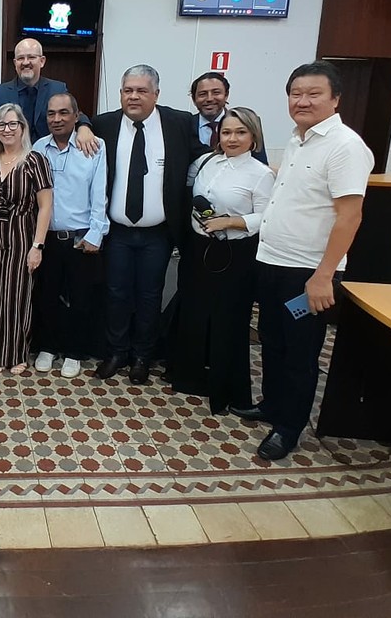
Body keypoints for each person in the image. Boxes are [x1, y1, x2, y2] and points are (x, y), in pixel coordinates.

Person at [230, 61, 373, 461]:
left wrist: (323, 276)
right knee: (272, 341)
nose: (303, 101)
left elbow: (350, 216)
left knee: (300, 352)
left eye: (314, 94)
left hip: (307, 274)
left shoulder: (345, 146)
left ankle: (289, 428)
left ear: (335, 99)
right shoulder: (298, 140)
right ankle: (273, 405)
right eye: (296, 94)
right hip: (271, 262)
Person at [91, 65, 206, 385]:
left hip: (158, 233)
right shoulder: (104, 124)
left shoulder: (178, 123)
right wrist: (84, 127)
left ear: (156, 94)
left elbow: (204, 157)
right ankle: (116, 352)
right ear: (120, 94)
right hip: (117, 232)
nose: (134, 96)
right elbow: (80, 122)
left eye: (141, 90)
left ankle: (142, 356)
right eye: (128, 90)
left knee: (150, 295)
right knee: (115, 293)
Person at [168, 107, 274, 413]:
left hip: (234, 255)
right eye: (226, 132)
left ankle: (225, 389)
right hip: (199, 250)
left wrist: (231, 222)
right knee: (194, 313)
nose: (232, 139)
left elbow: (267, 216)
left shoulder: (261, 174)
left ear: (253, 136)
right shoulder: (208, 163)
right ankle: (189, 378)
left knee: (228, 321)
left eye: (240, 132)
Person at [32, 93, 108, 379]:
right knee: (47, 296)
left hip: (80, 237)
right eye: (51, 114)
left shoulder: (94, 146)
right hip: (48, 237)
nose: (57, 119)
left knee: (81, 299)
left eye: (63, 113)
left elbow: (99, 194)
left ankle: (75, 352)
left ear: (77, 116)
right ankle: (48, 347)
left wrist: (96, 233)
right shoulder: (39, 148)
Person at [0, 103, 53, 374]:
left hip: (21, 235)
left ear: (22, 128)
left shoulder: (35, 160)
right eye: (1, 125)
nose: (7, 129)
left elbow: (45, 206)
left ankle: (17, 353)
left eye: (13, 124)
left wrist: (37, 246)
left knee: (16, 296)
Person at [0, 37, 98, 154]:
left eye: (31, 57)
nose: (25, 62)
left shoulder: (57, 89)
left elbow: (75, 115)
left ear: (42, 61)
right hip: (11, 162)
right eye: (20, 58)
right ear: (15, 63)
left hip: (48, 161)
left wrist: (84, 127)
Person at [189, 72, 268, 165]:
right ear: (194, 99)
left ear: (226, 95)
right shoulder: (185, 125)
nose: (209, 98)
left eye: (216, 93)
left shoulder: (246, 121)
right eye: (203, 94)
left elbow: (260, 163)